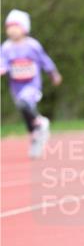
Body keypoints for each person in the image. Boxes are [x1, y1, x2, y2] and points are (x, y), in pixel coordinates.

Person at [0, 9, 62, 158]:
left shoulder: (32, 45)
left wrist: (53, 73)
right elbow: (3, 61)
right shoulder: (6, 47)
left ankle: (41, 122)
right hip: (16, 87)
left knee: (25, 103)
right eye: (9, 27)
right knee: (23, 109)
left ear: (24, 28)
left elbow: (44, 60)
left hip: (32, 85)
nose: (12, 30)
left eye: (15, 26)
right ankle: (35, 134)